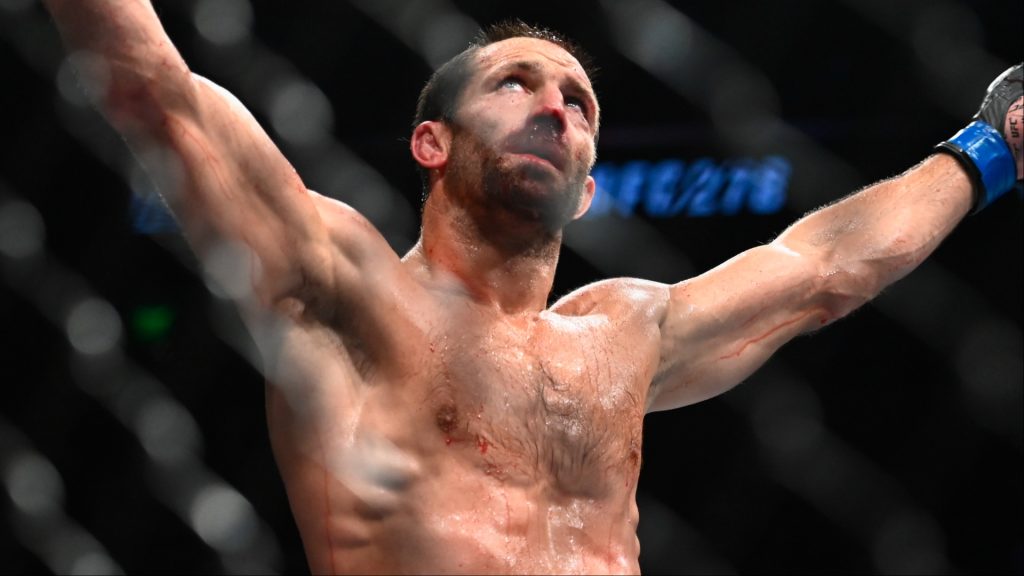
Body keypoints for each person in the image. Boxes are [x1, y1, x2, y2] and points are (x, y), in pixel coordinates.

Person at [41, 1, 1022, 574]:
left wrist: (993, 143)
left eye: (578, 101)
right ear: (432, 143)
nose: (553, 105)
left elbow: (826, 269)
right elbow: (152, 91)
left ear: (591, 186)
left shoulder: (627, 330)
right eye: (514, 84)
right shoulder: (337, 287)